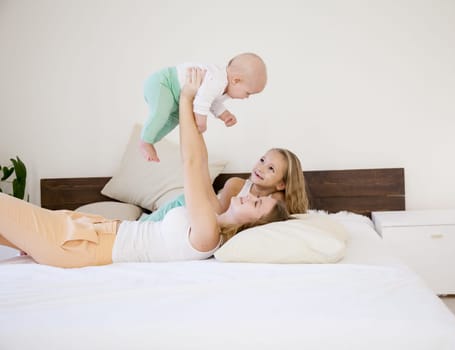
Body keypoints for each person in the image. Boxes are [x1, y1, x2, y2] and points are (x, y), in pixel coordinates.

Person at [0, 67, 289, 268]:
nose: (251, 194)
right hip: (88, 228)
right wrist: (198, 108)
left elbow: (190, 163)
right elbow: (199, 161)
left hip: (82, 245)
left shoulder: (207, 234)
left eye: (257, 204)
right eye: (258, 196)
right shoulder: (212, 211)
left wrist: (188, 98)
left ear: (251, 225)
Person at [140, 52, 267, 162]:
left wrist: (225, 115)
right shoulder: (218, 79)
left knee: (173, 120)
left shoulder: (223, 87)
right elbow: (203, 100)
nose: (247, 97)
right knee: (161, 113)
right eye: (248, 93)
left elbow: (213, 102)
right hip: (164, 83)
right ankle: (146, 141)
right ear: (236, 80)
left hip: (175, 97)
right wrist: (201, 122)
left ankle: (151, 139)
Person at [141, 148, 309, 222]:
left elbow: (282, 215)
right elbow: (219, 214)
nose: (261, 168)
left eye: (271, 168)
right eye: (262, 160)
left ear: (281, 184)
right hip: (190, 205)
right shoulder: (235, 185)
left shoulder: (275, 203)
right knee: (147, 224)